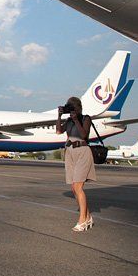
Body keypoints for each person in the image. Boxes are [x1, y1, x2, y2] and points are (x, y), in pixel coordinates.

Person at [55, 96, 96, 232]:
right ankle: (88, 217)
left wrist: (76, 120)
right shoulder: (68, 120)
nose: (71, 110)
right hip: (70, 152)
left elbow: (84, 135)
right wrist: (59, 116)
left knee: (78, 186)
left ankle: (82, 220)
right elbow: (58, 131)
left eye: (72, 107)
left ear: (78, 107)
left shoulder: (85, 119)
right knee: (74, 188)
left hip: (82, 151)